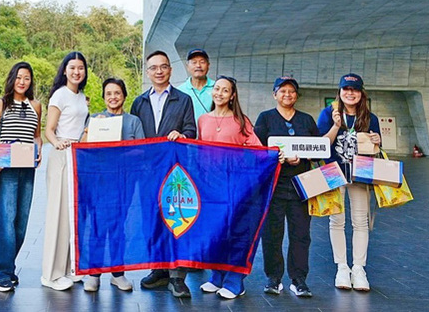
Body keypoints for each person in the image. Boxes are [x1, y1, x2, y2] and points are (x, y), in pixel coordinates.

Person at [130, 50, 196, 298]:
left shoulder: (183, 99)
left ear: (170, 69)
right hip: (147, 172)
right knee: (152, 220)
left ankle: (177, 277)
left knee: (176, 219)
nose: (159, 71)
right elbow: (133, 136)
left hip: (174, 172)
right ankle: (158, 270)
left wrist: (182, 135)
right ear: (147, 72)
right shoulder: (139, 102)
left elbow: (191, 130)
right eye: (153, 67)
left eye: (163, 66)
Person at [197, 76, 262, 299]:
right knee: (215, 232)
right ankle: (216, 276)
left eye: (225, 90)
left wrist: (276, 154)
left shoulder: (240, 121)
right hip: (209, 186)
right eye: (217, 88)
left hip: (234, 186)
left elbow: (258, 149)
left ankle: (235, 281)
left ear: (232, 95)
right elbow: (199, 150)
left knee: (236, 232)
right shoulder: (203, 120)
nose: (219, 93)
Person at [254, 77, 319, 298]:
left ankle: (299, 279)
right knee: (272, 233)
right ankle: (273, 278)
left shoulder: (307, 120)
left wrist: (303, 156)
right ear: (275, 94)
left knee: (301, 234)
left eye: (292, 91)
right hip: (274, 185)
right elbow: (258, 149)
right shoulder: (265, 118)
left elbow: (318, 149)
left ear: (297, 95)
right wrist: (277, 157)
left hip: (302, 186)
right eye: (282, 91)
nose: (287, 94)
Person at [0, 62, 43, 293]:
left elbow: (36, 136)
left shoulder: (36, 105)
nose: (22, 82)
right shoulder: (1, 103)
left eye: (26, 78)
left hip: (27, 168)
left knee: (21, 222)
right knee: (5, 220)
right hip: (5, 167)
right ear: (12, 79)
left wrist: (39, 150)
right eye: (18, 77)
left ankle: (8, 267)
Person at [317, 73, 381, 292]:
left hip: (360, 173)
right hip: (333, 171)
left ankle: (359, 269)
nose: (350, 93)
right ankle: (342, 267)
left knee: (360, 221)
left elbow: (375, 149)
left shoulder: (370, 118)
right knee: (336, 220)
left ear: (361, 93)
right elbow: (321, 145)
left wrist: (377, 140)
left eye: (354, 89)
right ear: (340, 91)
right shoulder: (328, 113)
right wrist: (336, 125)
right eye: (346, 89)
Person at [81, 77, 144, 292]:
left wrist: (121, 149)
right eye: (108, 93)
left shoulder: (133, 121)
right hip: (99, 182)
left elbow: (142, 150)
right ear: (103, 97)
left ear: (124, 96)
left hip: (124, 181)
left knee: (118, 226)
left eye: (117, 93)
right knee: (97, 226)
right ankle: (94, 274)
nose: (113, 97)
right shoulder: (94, 119)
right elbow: (83, 147)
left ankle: (118, 274)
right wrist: (92, 130)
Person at [41, 52, 90, 291]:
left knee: (72, 215)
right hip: (62, 155)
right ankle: (50, 274)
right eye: (72, 67)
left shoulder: (81, 97)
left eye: (80, 67)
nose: (76, 72)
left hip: (77, 156)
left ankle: (69, 268)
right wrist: (57, 143)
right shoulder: (59, 95)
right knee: (58, 214)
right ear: (64, 70)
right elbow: (49, 130)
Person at [177, 48, 215, 124]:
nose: (198, 65)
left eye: (202, 62)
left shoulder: (217, 88)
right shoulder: (179, 91)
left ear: (208, 65)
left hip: (212, 131)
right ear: (187, 66)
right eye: (194, 62)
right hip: (188, 132)